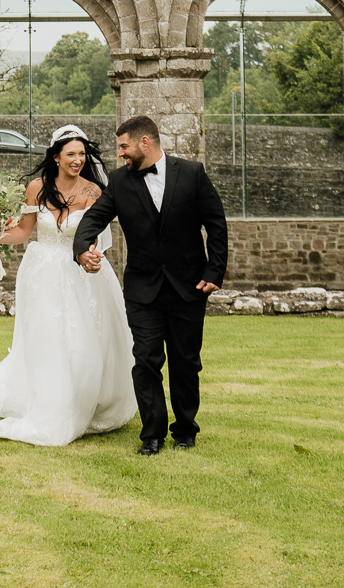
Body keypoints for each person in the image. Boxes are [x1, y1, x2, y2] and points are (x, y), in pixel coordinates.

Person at [0, 125, 138, 446]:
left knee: (82, 341)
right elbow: (24, 232)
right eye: (71, 154)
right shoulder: (37, 188)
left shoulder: (93, 192)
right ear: (56, 157)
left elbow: (93, 237)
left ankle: (84, 400)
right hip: (43, 273)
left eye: (82, 154)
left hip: (80, 272)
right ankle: (49, 398)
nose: (78, 160)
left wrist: (91, 256)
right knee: (47, 338)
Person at [69, 114, 227, 456]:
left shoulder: (192, 173)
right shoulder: (119, 182)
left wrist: (214, 272)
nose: (121, 154)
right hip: (142, 289)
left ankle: (185, 430)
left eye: (124, 147)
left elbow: (216, 223)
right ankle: (151, 435)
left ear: (145, 142)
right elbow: (94, 218)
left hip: (189, 287)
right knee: (145, 360)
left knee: (186, 362)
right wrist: (82, 248)